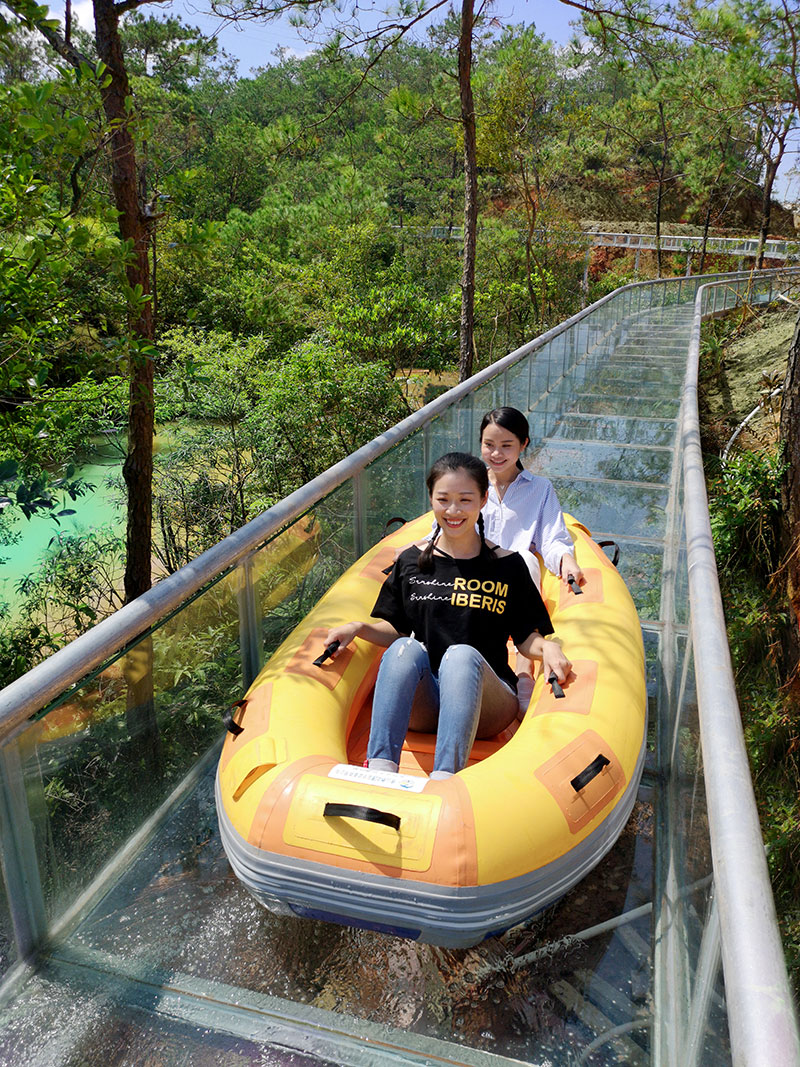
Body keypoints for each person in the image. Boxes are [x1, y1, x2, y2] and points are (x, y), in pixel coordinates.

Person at [325, 452, 571, 778]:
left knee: (460, 656)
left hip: (488, 702)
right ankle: (380, 769)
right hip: (428, 701)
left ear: (483, 500)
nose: (453, 511)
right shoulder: (412, 562)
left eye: (465, 500)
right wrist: (358, 628)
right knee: (404, 649)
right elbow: (397, 629)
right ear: (431, 500)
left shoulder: (507, 565)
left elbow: (526, 638)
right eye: (443, 499)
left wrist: (548, 647)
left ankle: (445, 777)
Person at [479, 406, 583, 590]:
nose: (496, 454)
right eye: (489, 445)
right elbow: (443, 531)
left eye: (506, 445)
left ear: (523, 444)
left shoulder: (540, 489)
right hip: (470, 577)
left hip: (514, 580)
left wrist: (566, 560)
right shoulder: (469, 485)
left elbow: (551, 538)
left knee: (526, 558)